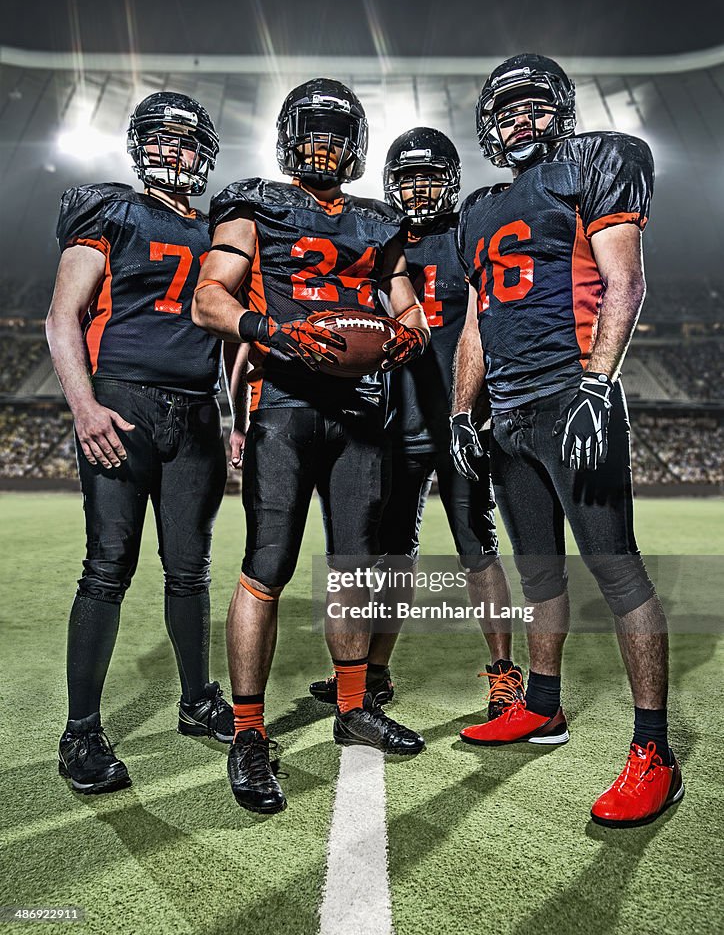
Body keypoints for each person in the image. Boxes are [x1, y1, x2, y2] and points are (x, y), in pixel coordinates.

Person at [451, 54, 683, 827]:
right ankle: (541, 706)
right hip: (510, 414)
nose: (520, 120)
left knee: (617, 572)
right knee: (540, 573)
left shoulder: (595, 164)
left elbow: (626, 281)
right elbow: (479, 319)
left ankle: (655, 752)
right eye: (506, 110)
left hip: (571, 397)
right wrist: (462, 412)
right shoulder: (479, 209)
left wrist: (596, 384)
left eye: (533, 107)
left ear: (561, 111)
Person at [193, 78, 430, 815]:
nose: (323, 145)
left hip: (361, 411)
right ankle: (249, 731)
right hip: (286, 405)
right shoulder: (254, 203)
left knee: (354, 568)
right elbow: (210, 299)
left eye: (336, 132)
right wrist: (274, 333)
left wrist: (406, 335)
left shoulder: (378, 220)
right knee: (267, 566)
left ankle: (354, 706)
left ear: (355, 143)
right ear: (290, 137)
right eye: (313, 131)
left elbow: (409, 308)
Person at [46, 92, 233, 795]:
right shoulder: (112, 211)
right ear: (139, 147)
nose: (169, 152)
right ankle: (81, 733)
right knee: (107, 567)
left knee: (190, 569)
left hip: (195, 414)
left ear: (204, 152)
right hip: (121, 402)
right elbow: (63, 318)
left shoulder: (221, 228)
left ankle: (196, 700)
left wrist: (239, 413)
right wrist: (85, 405)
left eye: (183, 141)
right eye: (156, 140)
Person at [309, 127, 523, 718]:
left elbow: (493, 324)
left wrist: (480, 410)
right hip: (391, 424)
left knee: (477, 551)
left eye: (430, 177)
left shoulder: (467, 236)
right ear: (388, 183)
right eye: (407, 178)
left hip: (460, 422)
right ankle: (373, 673)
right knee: (390, 557)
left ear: (452, 181)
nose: (419, 189)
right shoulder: (376, 238)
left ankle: (503, 676)